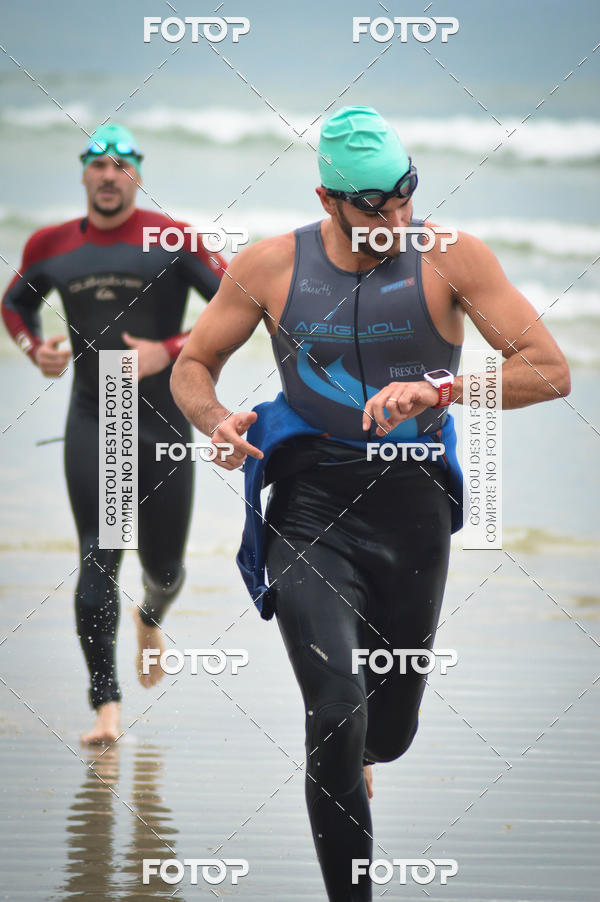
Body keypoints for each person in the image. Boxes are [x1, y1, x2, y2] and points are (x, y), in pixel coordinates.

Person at [170, 106, 571, 901]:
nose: (396, 219)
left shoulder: (453, 259)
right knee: (335, 711)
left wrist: (443, 386)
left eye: (406, 196)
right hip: (310, 507)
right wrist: (215, 420)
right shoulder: (271, 266)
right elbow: (193, 363)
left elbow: (550, 370)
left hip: (413, 510)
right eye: (374, 207)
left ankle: (364, 752)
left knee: (388, 732)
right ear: (329, 199)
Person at [1, 123, 227, 744]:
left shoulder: (172, 239)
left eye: (119, 164)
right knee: (98, 558)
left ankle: (150, 616)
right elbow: (14, 304)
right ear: (82, 175)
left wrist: (171, 349)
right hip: (95, 419)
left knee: (165, 568)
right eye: (96, 164)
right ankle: (106, 706)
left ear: (136, 174)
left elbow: (236, 301)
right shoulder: (52, 245)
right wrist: (31, 348)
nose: (107, 175)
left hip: (163, 423)